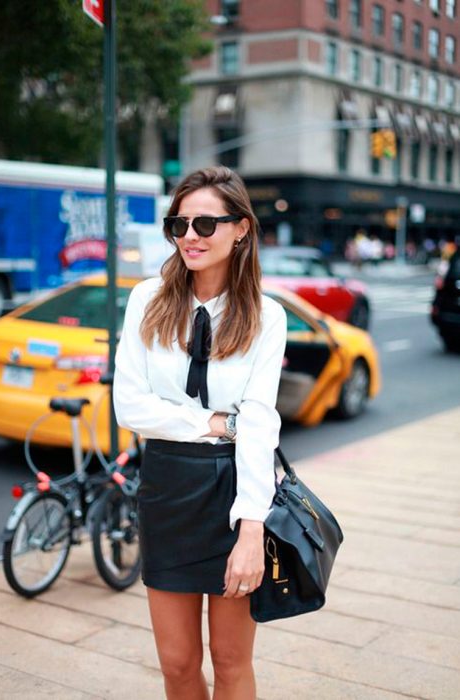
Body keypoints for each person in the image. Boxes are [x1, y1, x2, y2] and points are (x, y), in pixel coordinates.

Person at [113, 166, 287, 699]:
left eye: (206, 224)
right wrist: (212, 422)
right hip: (166, 487)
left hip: (234, 491)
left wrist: (252, 530)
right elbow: (129, 407)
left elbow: (258, 425)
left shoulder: (265, 316)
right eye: (179, 224)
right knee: (177, 664)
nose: (190, 236)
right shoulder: (148, 299)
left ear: (241, 229)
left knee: (232, 662)